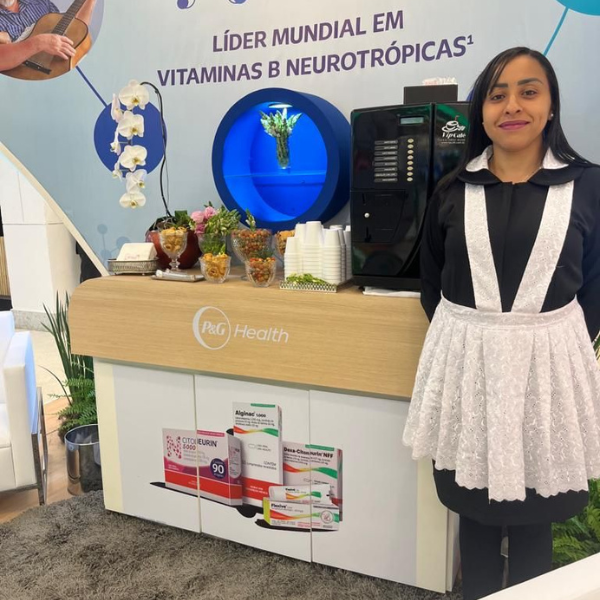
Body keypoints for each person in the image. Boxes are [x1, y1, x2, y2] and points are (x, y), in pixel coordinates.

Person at [402, 46, 600, 600]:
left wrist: (543, 347)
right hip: (471, 375)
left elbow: (595, 286)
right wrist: (482, 343)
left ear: (551, 105)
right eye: (496, 95)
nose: (512, 105)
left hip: (546, 381)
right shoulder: (452, 190)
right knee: (475, 512)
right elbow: (434, 287)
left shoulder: (589, 187)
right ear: (481, 112)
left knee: (538, 515)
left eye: (528, 91)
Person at [0, 0, 96, 72]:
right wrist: (38, 43)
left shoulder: (40, 2)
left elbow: (74, 31)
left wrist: (90, 2)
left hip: (63, 68)